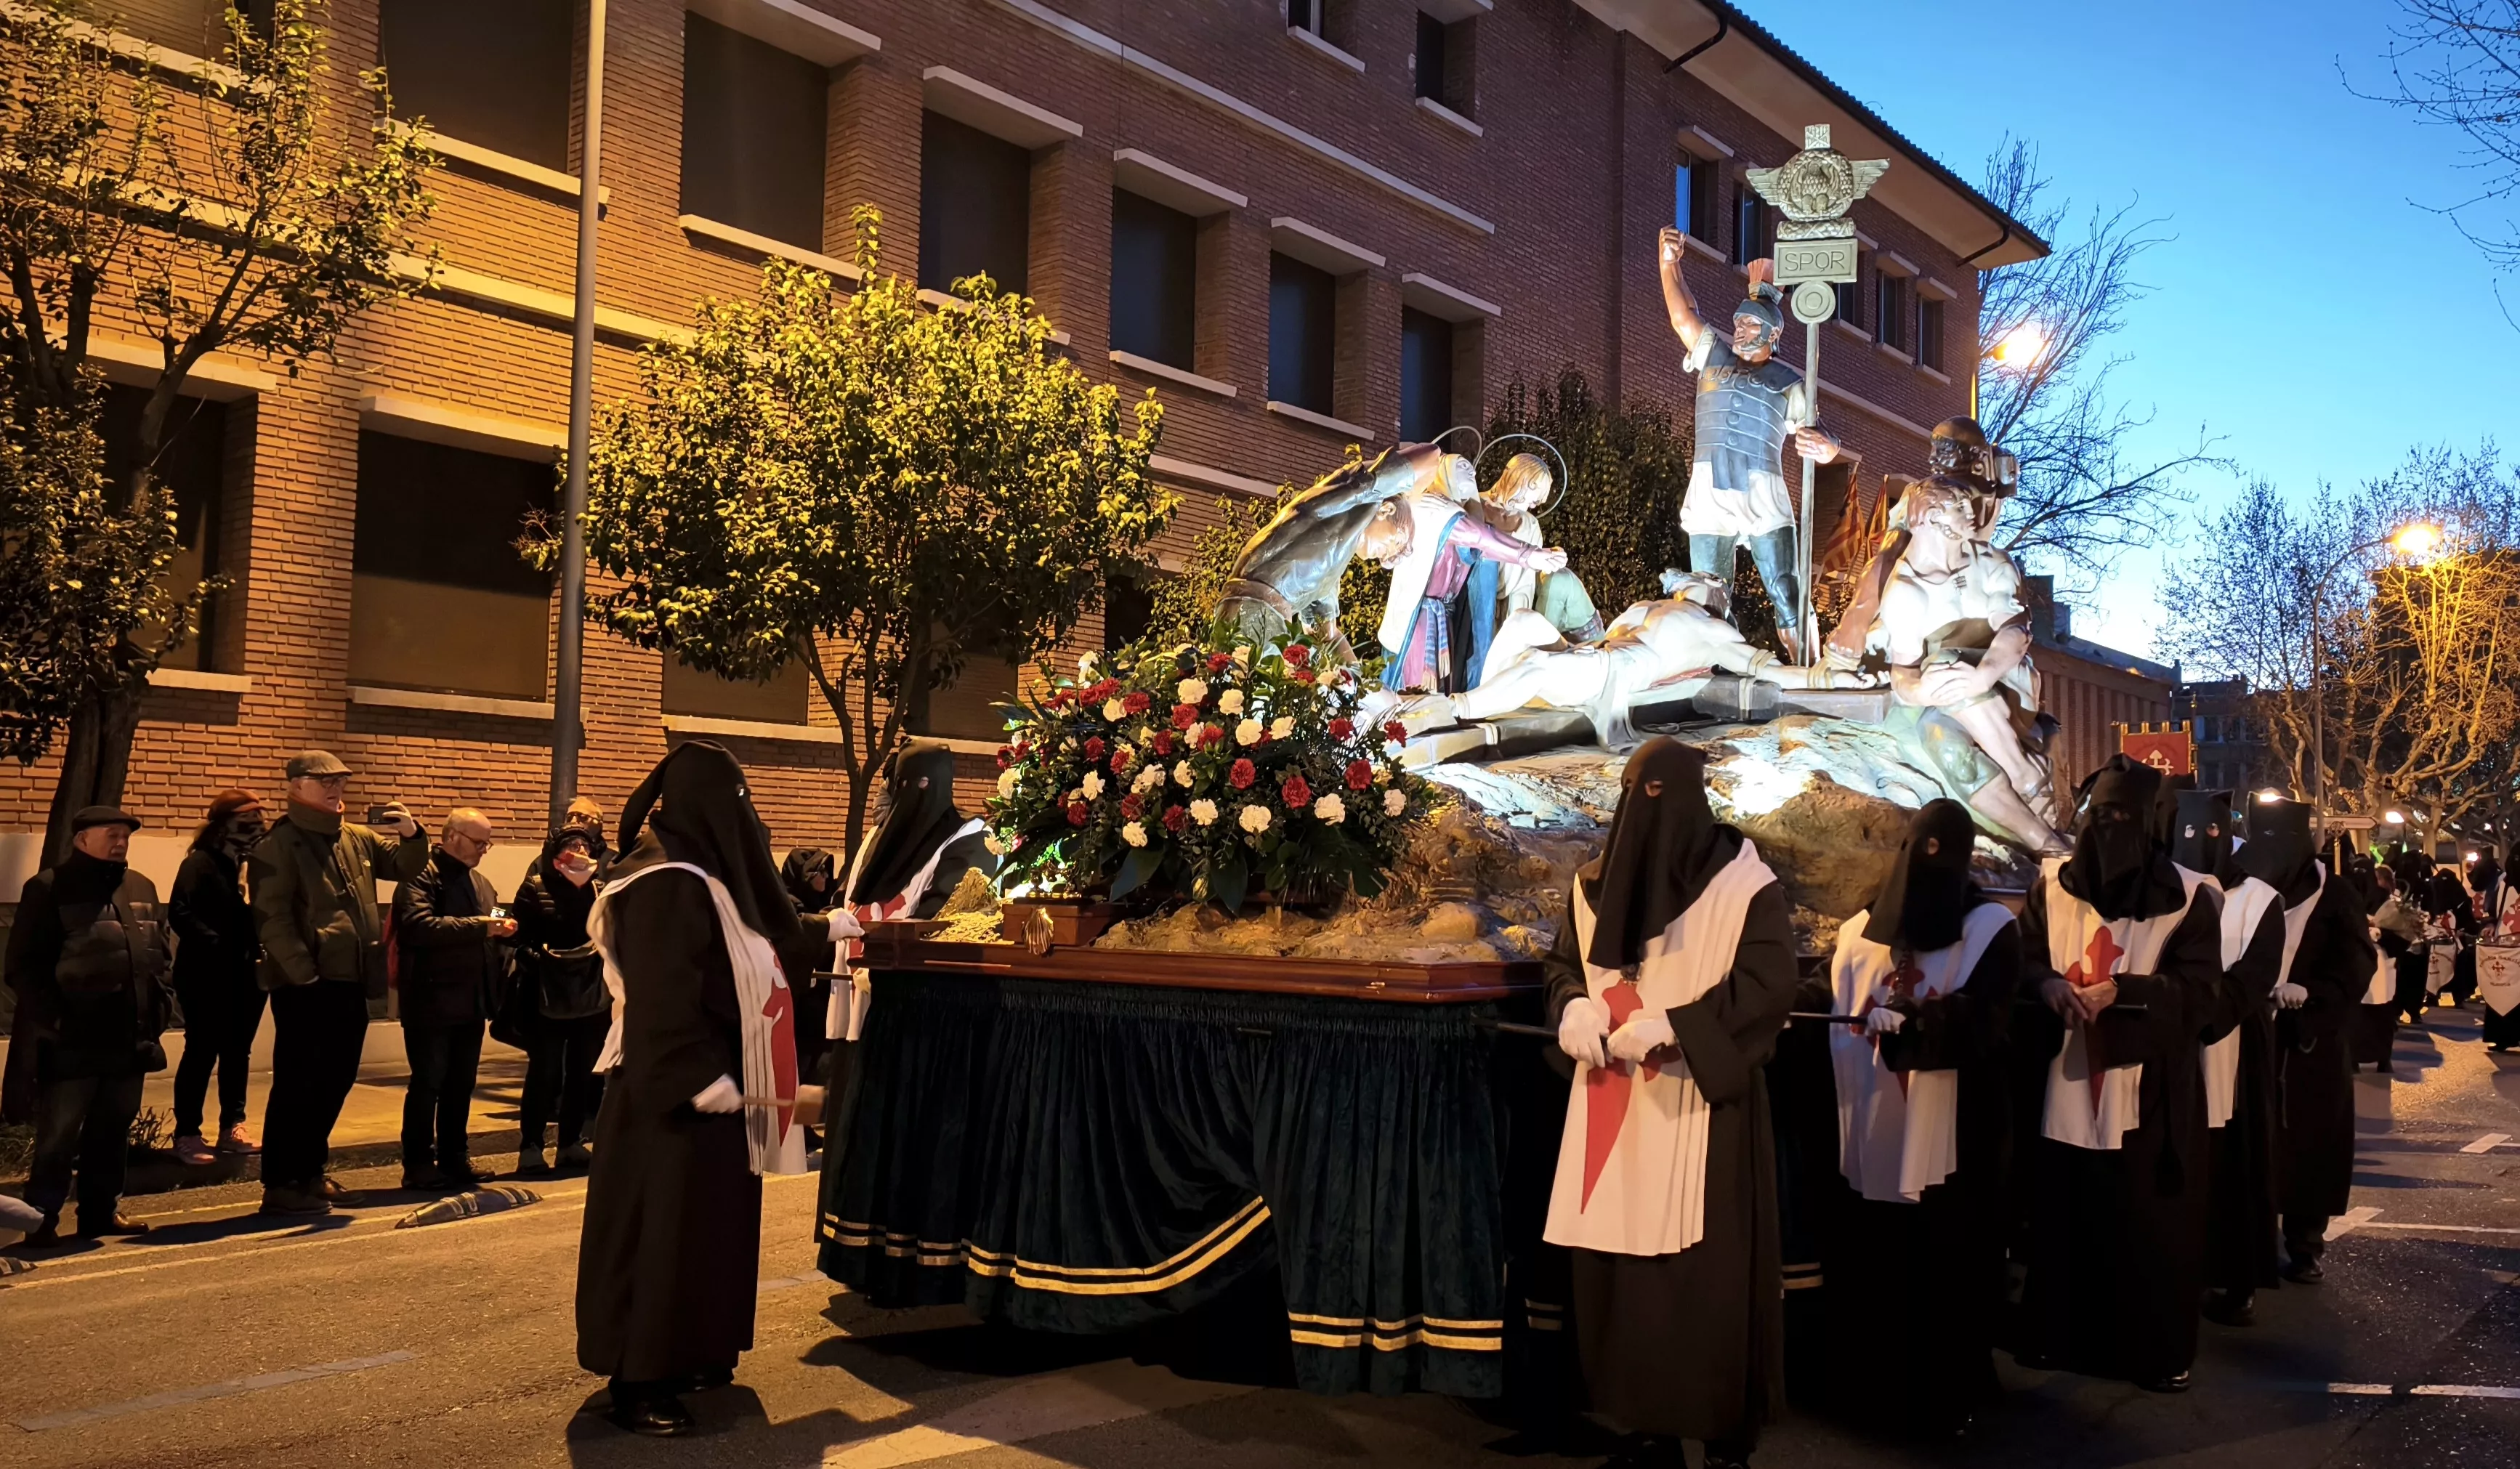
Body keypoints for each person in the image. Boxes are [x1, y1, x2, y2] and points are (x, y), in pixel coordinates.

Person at [1542, 737, 1798, 1468]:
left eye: (1660, 795)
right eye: (1635, 794)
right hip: (1613, 1110)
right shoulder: (1595, 886)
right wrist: (1572, 1009)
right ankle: (1642, 1425)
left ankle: (1722, 1437)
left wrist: (1679, 1026)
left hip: (1700, 1113)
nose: (1646, 811)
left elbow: (1770, 984)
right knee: (1623, 1279)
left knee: (1702, 1277)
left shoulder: (1745, 886)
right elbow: (1565, 965)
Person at [577, 741, 814, 1437]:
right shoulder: (665, 881)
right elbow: (661, 999)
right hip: (671, 1094)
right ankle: (639, 1376)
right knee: (658, 1239)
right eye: (737, 800)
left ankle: (695, 1351)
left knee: (706, 1234)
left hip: (716, 1089)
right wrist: (700, 1080)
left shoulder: (696, 872)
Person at [2012, 756, 2223, 1393]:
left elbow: (2200, 992)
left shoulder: (2189, 896)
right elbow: (2019, 962)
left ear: (2151, 826)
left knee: (2147, 1225)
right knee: (2065, 1215)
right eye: (2100, 818)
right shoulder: (2051, 888)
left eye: (2124, 819)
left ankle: (2155, 1350)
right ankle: (2058, 1338)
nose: (2111, 831)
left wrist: (2127, 992)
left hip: (2147, 1087)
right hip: (2065, 1078)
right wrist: (2047, 985)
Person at [1822, 798, 2020, 1438]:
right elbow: (1836, 1002)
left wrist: (1921, 1021)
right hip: (1874, 1122)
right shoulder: (1860, 931)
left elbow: (1990, 1018)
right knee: (1878, 1257)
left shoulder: (1991, 928)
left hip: (1955, 1134)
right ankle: (1874, 1386)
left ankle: (1949, 1390)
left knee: (1950, 1262)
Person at [1827, 422, 2062, 856]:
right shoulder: (1907, 592)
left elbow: (2015, 631)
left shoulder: (1991, 562)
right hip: (1946, 696)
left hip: (2002, 682)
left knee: (1947, 666)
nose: (1971, 515)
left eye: (1952, 451)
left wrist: (1982, 675)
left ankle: (2025, 773)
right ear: (1933, 517)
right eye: (1959, 508)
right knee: (1939, 733)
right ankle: (2041, 837)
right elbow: (1904, 671)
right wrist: (1914, 685)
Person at [251, 750, 428, 1217]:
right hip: (306, 985)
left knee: (335, 1079)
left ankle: (310, 1173)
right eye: (324, 781)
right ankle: (282, 1182)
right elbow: (272, 919)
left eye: (341, 782)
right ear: (295, 787)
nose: (336, 789)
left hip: (350, 978)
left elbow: (406, 865)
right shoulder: (279, 845)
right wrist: (303, 974)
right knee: (298, 1083)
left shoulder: (355, 837)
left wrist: (412, 833)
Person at [1656, 228, 1841, 661]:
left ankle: (1806, 672)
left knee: (1785, 589)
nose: (1740, 329)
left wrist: (1826, 445)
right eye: (1739, 322)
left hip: (1762, 489)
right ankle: (1719, 671)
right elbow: (1684, 315)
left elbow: (1825, 438)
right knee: (1706, 594)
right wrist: (1669, 264)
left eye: (1751, 323)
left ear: (1773, 334)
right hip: (1709, 487)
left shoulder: (1789, 383)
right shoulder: (1712, 359)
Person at [6, 806, 174, 1243]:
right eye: (111, 834)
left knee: (112, 1129)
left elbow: (161, 953)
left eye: (126, 836)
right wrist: (57, 1018)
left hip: (130, 1035)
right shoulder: (48, 889)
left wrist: (160, 1006)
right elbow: (24, 967)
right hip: (73, 1040)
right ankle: (40, 1219)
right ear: (81, 840)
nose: (121, 842)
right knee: (59, 1134)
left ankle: (101, 1212)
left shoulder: (141, 886)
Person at [2241, 799, 2376, 1284]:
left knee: (2310, 1143)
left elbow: (2357, 963)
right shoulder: (2242, 886)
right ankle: (2245, 1246)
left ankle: (2305, 1242)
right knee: (2251, 1143)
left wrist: (2313, 994)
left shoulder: (2335, 895)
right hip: (2249, 1035)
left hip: (2310, 1043)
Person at [1216, 442, 1457, 665]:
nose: (1384, 555)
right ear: (1387, 509)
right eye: (1394, 542)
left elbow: (1326, 636)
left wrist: (1363, 685)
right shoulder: (1345, 501)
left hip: (1265, 615)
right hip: (1255, 607)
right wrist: (1447, 468)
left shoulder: (1331, 570)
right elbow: (1426, 457)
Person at [2189, 788, 2280, 1327]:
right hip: (2178, 1043)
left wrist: (2204, 1012)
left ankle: (2238, 1278)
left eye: (2214, 833)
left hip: (2237, 1045)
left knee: (2237, 1165)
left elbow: (2256, 972)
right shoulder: (2167, 891)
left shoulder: (2259, 898)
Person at [392, 808, 514, 1191]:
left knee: (461, 1083)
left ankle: (454, 1158)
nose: (484, 849)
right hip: (431, 1000)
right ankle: (417, 1163)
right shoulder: (419, 877)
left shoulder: (482, 883)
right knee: (428, 1082)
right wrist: (483, 927)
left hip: (471, 1000)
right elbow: (417, 926)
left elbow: (494, 917)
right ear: (451, 837)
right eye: (479, 842)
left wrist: (504, 925)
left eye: (487, 843)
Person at [1365, 479, 1570, 693]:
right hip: (1421, 618)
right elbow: (1480, 538)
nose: (1470, 479)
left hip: (1439, 614)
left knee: (1430, 685)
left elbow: (1480, 541)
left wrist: (1528, 555)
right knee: (1416, 684)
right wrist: (1529, 555)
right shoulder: (1431, 512)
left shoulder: (1434, 510)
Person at [168, 789, 270, 1165]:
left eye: (260, 820)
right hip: (205, 975)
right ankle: (188, 1133)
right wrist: (216, 943)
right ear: (225, 825)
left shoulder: (254, 865)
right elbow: (180, 912)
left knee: (237, 1051)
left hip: (248, 973)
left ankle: (233, 1126)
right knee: (201, 1051)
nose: (257, 828)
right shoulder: (201, 863)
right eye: (248, 821)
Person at [512, 822, 611, 1175]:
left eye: (585, 849)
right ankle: (531, 1146)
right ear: (555, 856)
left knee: (583, 1073)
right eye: (572, 849)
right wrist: (535, 959)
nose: (580, 855)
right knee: (545, 1072)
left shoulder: (599, 890)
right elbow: (512, 932)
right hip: (547, 994)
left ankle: (570, 1142)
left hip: (589, 993)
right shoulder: (535, 888)